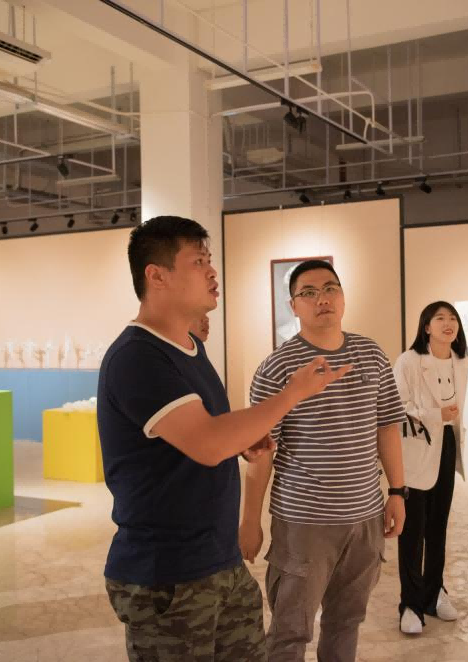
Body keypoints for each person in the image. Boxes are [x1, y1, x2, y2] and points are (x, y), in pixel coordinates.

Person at [98, 217, 349, 662]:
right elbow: (208, 442)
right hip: (168, 574)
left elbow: (207, 431)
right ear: (156, 276)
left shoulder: (190, 348)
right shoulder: (137, 356)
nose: (212, 271)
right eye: (198, 262)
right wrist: (292, 393)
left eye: (209, 260)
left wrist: (243, 440)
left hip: (219, 559)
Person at [241, 259, 407, 662]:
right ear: (294, 306)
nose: (322, 299)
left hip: (365, 519)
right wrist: (249, 522)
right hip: (304, 524)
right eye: (309, 293)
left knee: (346, 622)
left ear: (343, 297)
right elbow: (261, 454)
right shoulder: (277, 367)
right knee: (289, 632)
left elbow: (387, 426)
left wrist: (398, 492)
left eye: (330, 288)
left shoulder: (371, 354)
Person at [391, 301, 468, 634]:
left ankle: (434, 592)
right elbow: (398, 407)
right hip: (416, 449)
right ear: (426, 327)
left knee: (438, 527)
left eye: (452, 318)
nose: (448, 323)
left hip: (446, 445)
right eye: (440, 318)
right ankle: (410, 603)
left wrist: (444, 421)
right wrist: (435, 415)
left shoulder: (461, 361)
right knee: (413, 530)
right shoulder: (409, 361)